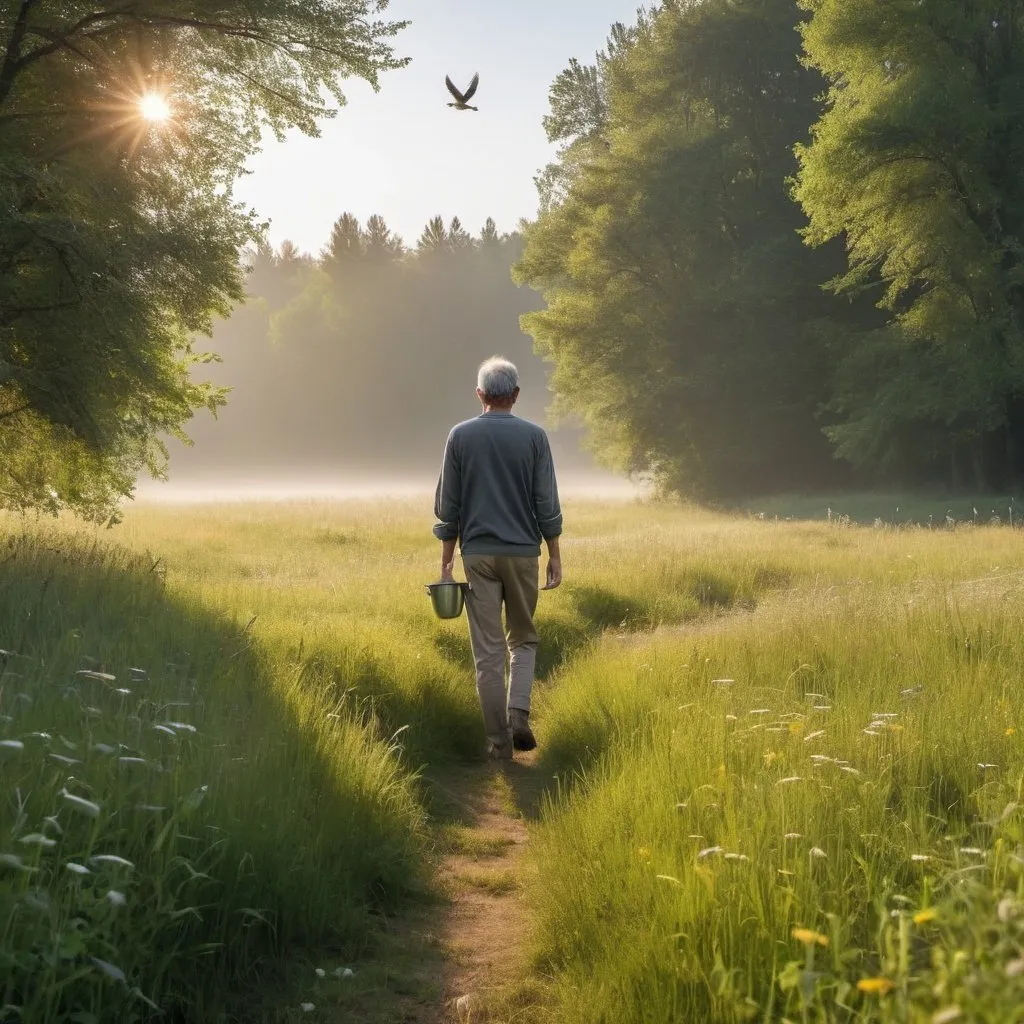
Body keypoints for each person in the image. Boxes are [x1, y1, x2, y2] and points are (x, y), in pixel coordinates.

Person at [433, 356, 563, 759]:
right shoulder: (535, 437)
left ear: (480, 394)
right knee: (522, 639)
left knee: (487, 653)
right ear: (516, 395)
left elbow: (448, 504)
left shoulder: (460, 436)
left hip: (478, 555)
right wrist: (554, 554)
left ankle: (499, 744)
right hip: (523, 553)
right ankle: (518, 712)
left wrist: (446, 560)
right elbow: (547, 502)